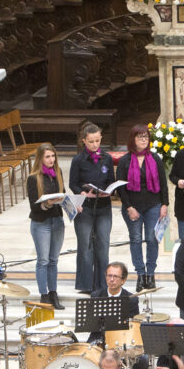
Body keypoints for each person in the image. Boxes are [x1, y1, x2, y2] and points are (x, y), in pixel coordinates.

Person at [116, 124, 169, 292]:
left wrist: (164, 205)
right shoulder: (125, 161)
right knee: (136, 239)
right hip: (132, 206)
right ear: (133, 139)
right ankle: (140, 274)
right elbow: (120, 188)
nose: (144, 140)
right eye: (140, 137)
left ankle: (150, 274)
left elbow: (163, 184)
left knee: (152, 239)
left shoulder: (155, 158)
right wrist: (129, 207)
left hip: (153, 204)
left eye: (146, 137)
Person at [68, 123, 115, 294]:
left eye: (97, 141)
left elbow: (111, 180)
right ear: (84, 142)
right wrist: (81, 192)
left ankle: (102, 284)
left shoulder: (107, 158)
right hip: (85, 207)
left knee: (103, 245)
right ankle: (86, 284)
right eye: (91, 142)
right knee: (86, 246)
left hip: (103, 206)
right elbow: (73, 183)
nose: (95, 145)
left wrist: (110, 191)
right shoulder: (78, 160)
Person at [26, 142, 67, 310]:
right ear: (40, 158)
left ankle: (53, 293)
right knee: (43, 260)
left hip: (57, 220)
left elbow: (62, 194)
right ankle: (44, 295)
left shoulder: (58, 173)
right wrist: (48, 203)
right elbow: (34, 206)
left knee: (53, 260)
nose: (51, 159)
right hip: (41, 222)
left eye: (53, 156)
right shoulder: (33, 178)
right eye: (47, 157)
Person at [87, 262, 140, 345]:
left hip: (122, 338)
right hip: (99, 337)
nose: (111, 279)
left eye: (115, 276)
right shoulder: (96, 296)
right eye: (109, 276)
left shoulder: (131, 299)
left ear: (123, 280)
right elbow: (91, 325)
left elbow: (133, 327)